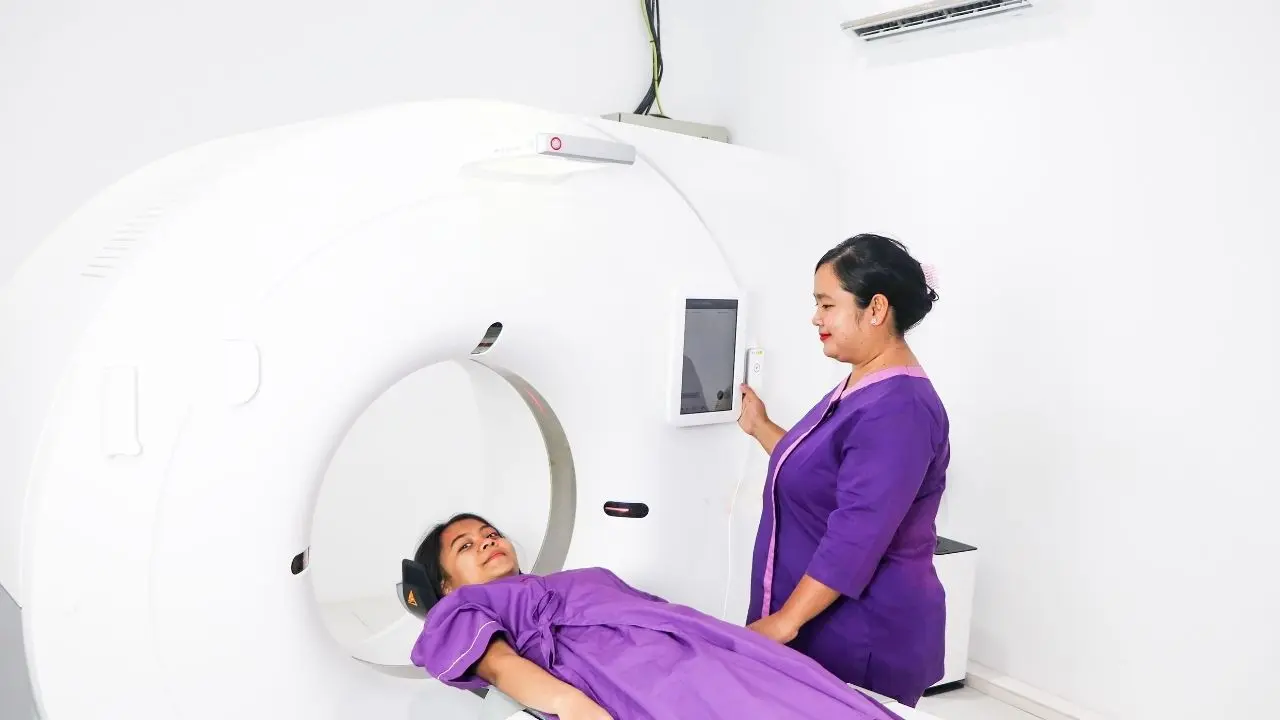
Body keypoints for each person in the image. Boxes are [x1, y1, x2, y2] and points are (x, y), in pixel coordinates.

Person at [408, 513, 905, 720]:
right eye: (465, 546)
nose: (487, 542)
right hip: (638, 673)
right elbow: (499, 666)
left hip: (700, 644)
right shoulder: (461, 608)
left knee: (803, 689)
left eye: (490, 533)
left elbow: (657, 611)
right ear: (446, 584)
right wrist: (574, 708)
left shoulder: (573, 578)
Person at [737, 233, 949, 708]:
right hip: (825, 625)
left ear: (876, 309)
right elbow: (820, 472)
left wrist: (785, 622)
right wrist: (761, 427)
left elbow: (856, 534)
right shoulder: (863, 384)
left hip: (864, 635)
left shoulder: (899, 408)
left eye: (827, 304)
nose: (816, 318)